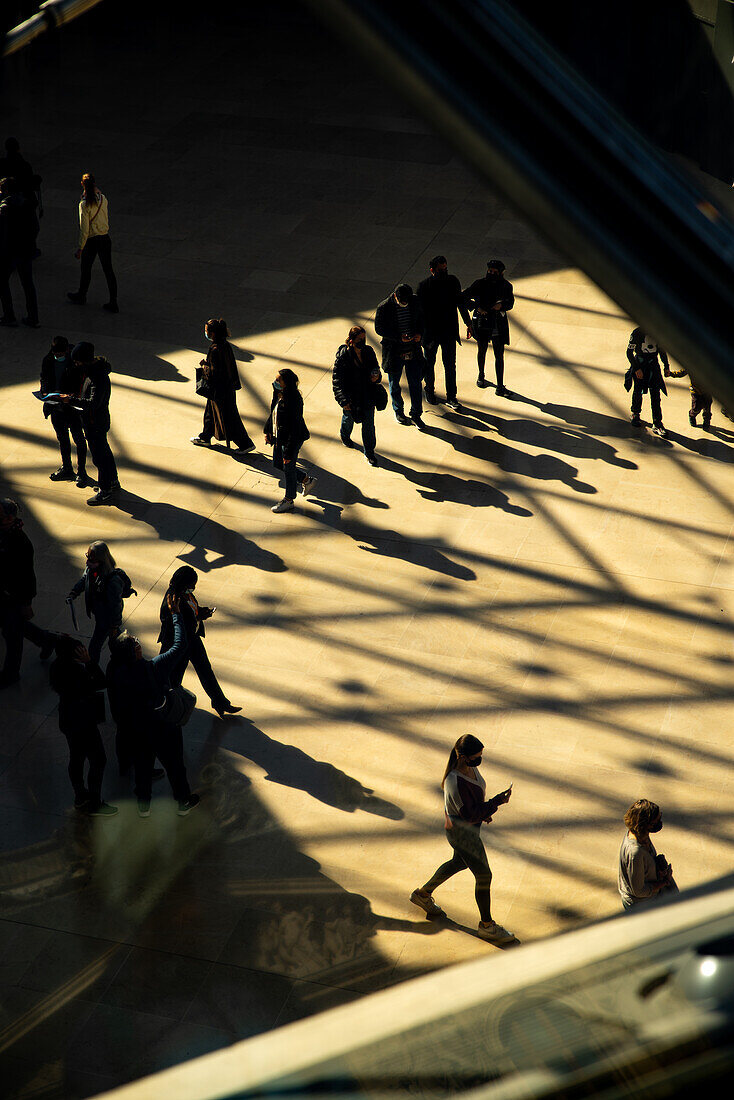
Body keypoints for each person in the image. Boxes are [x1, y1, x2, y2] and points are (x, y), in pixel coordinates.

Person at [410, 734, 515, 944]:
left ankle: (422, 894)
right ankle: (487, 926)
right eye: (477, 756)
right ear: (463, 756)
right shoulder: (453, 781)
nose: (479, 760)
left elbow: (473, 807)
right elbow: (467, 814)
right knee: (484, 875)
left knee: (458, 862)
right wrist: (495, 803)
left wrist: (484, 812)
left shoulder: (470, 768)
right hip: (462, 833)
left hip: (468, 829)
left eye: (481, 756)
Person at [107, 594, 199, 817]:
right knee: (175, 765)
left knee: (143, 766)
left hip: (136, 729)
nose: (138, 641)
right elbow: (180, 645)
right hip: (163, 727)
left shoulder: (115, 672)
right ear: (136, 652)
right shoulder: (154, 668)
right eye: (135, 642)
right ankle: (183, 801)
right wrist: (176, 614)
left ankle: (143, 805)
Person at [158, 565, 241, 719]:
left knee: (205, 670)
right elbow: (171, 623)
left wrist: (201, 612)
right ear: (184, 583)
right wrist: (196, 618)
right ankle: (168, 706)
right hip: (179, 645)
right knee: (172, 678)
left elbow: (192, 611)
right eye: (191, 585)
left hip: (192, 640)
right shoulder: (172, 599)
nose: (193, 588)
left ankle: (220, 702)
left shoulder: (186, 595)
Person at [49, 635, 117, 815]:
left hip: (67, 719)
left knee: (76, 757)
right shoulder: (78, 673)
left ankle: (80, 796)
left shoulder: (57, 668)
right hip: (84, 721)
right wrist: (89, 662)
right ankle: (95, 802)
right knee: (98, 759)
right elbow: (102, 682)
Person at [0, 499, 55, 689]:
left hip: (12, 596)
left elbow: (27, 576)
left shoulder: (20, 543)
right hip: (4, 593)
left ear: (9, 518)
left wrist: (26, 603)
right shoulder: (5, 535)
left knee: (12, 634)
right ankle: (47, 640)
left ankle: (11, 673)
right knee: (14, 627)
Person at [61, 341, 121, 505]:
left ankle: (105, 490)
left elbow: (92, 403)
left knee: (100, 458)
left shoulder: (97, 377)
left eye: (77, 361)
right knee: (105, 453)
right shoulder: (94, 371)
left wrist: (70, 400)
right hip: (96, 421)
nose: (76, 364)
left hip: (95, 423)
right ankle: (112, 481)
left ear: (84, 360)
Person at [191, 318, 255, 454]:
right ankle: (205, 436)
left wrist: (204, 366)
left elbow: (215, 373)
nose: (205, 333)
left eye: (207, 331)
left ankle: (245, 443)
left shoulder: (215, 349)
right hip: (226, 387)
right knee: (210, 412)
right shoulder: (225, 345)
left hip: (220, 389)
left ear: (213, 333)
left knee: (229, 417)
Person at [417, 255, 471, 409]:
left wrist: (468, 323)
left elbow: (460, 303)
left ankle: (451, 396)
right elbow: (420, 314)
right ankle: (429, 391)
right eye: (441, 270)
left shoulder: (452, 281)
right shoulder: (423, 287)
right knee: (429, 364)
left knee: (449, 365)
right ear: (432, 270)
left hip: (448, 332)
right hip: (431, 334)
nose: (444, 272)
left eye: (445, 269)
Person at [68, 541, 134, 664]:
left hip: (107, 619)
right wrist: (74, 592)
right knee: (116, 643)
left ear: (102, 561)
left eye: (92, 561)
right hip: (101, 615)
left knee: (96, 646)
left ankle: (93, 670)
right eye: (87, 558)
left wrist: (114, 625)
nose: (87, 563)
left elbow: (116, 606)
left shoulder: (113, 581)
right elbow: (84, 579)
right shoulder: (92, 570)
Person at [264, 367, 316, 513]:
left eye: (278, 380)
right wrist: (268, 430)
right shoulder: (279, 393)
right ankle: (306, 480)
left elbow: (294, 426)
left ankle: (289, 500)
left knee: (288, 466)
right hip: (280, 436)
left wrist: (288, 451)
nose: (275, 382)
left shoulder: (294, 400)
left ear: (286, 382)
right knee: (278, 463)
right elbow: (273, 412)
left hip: (291, 438)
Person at [39, 335, 89, 486]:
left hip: (72, 406)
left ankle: (81, 471)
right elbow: (44, 378)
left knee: (79, 439)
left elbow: (82, 383)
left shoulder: (76, 362)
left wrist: (72, 397)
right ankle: (67, 467)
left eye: (60, 355)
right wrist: (45, 393)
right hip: (56, 405)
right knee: (62, 438)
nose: (57, 357)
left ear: (67, 350)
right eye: (55, 354)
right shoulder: (48, 360)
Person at [374, 283, 426, 427]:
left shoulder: (414, 301)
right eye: (403, 301)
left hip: (413, 350)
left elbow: (422, 319)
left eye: (407, 300)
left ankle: (416, 414)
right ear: (395, 296)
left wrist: (419, 334)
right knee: (394, 384)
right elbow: (379, 329)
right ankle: (399, 411)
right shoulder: (384, 307)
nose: (405, 303)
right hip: (394, 352)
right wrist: (398, 337)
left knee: (415, 383)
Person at [332, 324, 383, 466]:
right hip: (351, 398)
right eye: (360, 339)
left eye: (364, 338)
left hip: (367, 395)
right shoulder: (343, 357)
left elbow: (376, 368)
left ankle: (369, 452)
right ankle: (344, 435)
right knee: (349, 418)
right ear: (352, 340)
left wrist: (376, 377)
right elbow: (337, 381)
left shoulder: (368, 351)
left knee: (369, 425)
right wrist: (343, 400)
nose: (363, 341)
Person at [67, 173, 118, 312]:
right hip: (105, 238)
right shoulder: (103, 199)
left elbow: (84, 229)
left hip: (92, 240)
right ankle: (113, 301)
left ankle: (82, 295)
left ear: (82, 185)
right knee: (109, 271)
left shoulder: (84, 204)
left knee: (86, 269)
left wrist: (80, 247)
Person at [462, 260, 515, 394]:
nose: (491, 274)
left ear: (501, 273)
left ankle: (500, 385)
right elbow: (463, 297)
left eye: (494, 272)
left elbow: (510, 303)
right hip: (482, 321)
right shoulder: (480, 284)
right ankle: (481, 375)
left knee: (499, 355)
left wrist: (501, 306)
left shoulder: (506, 286)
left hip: (497, 321)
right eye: (489, 271)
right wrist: (476, 307)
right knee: (482, 350)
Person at [618, 798, 679, 909]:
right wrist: (664, 882)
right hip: (643, 904)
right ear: (644, 824)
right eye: (656, 821)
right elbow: (639, 891)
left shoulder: (641, 835)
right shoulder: (635, 853)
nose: (659, 823)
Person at [0, 175, 39, 328]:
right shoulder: (28, 205)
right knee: (28, 284)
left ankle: (9, 315)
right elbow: (35, 227)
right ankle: (33, 317)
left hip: (10, 251)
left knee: (2, 282)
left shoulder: (5, 207)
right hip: (26, 249)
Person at [624, 328, 670, 437]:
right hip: (640, 365)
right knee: (638, 391)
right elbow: (629, 352)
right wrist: (636, 368)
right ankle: (635, 413)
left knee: (655, 395)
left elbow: (662, 351)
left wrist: (666, 366)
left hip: (653, 366)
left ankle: (657, 422)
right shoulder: (637, 333)